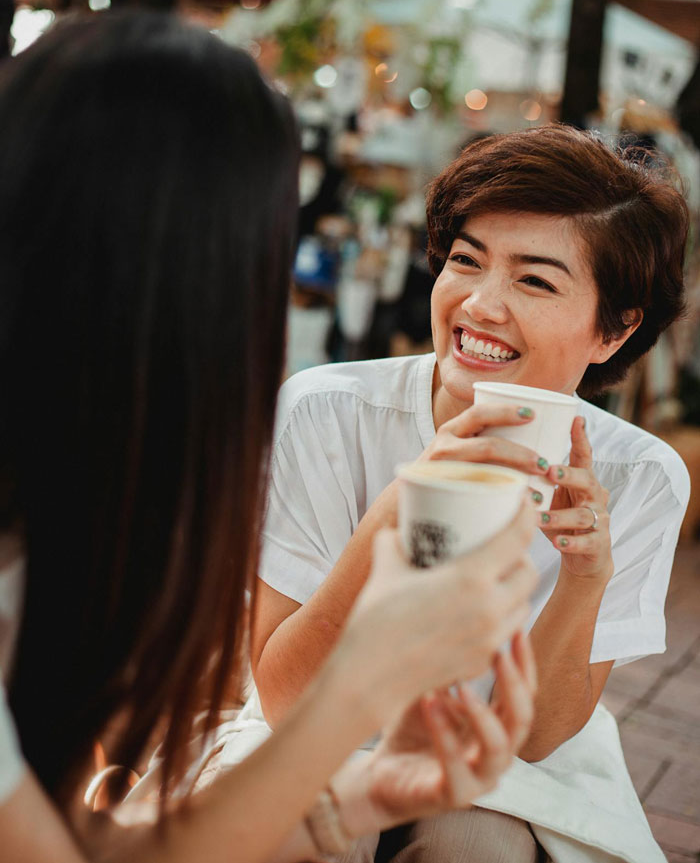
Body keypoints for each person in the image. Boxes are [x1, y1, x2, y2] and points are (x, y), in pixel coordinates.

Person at [0, 9, 541, 863]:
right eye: (463, 261)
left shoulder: (79, 510)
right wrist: (366, 678)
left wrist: (370, 792)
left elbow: (81, 839)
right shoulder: (322, 410)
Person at [245, 125, 690, 862]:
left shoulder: (639, 476)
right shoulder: (328, 411)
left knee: (478, 844)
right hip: (316, 732)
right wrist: (396, 513)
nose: (479, 303)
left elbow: (539, 736)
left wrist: (584, 578)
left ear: (613, 330)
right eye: (466, 261)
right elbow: (285, 698)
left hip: (507, 767)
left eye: (535, 279)